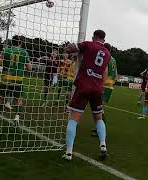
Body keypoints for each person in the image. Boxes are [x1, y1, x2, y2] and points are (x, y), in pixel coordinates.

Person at [62, 30, 111, 161]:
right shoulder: (107, 53)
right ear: (104, 40)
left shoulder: (88, 44)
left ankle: (68, 152)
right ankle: (103, 145)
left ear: (94, 37)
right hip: (97, 88)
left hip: (84, 85)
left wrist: (70, 45)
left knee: (74, 118)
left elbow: (69, 49)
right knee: (99, 118)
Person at [0, 35, 32, 126]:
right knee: (18, 100)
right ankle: (16, 118)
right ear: (20, 43)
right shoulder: (24, 53)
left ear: (11, 42)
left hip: (6, 80)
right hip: (18, 81)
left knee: (0, 99)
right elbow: (29, 68)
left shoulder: (5, 50)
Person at [91, 43, 118, 136]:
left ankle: (99, 128)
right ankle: (99, 127)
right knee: (99, 107)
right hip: (110, 85)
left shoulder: (106, 57)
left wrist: (101, 86)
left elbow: (105, 71)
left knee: (99, 108)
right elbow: (116, 74)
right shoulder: (114, 59)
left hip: (104, 85)